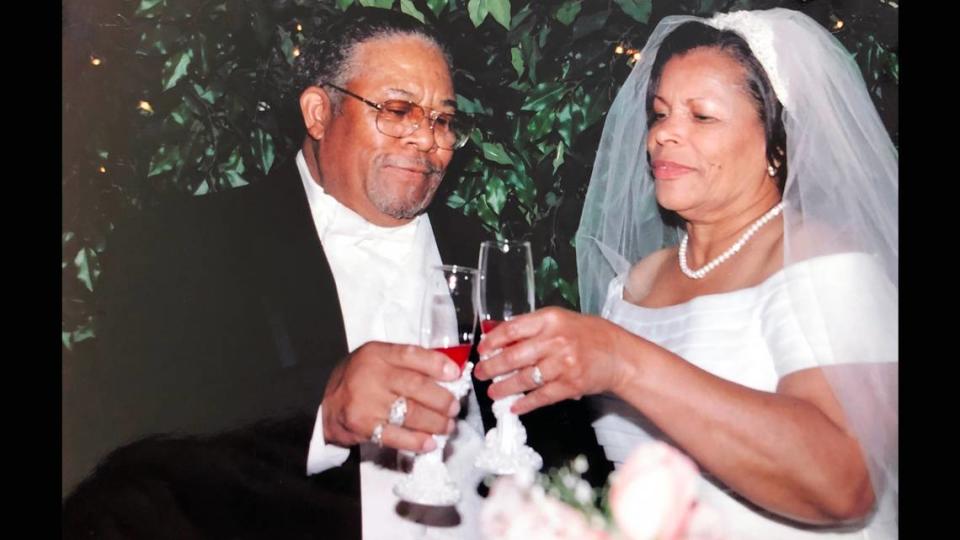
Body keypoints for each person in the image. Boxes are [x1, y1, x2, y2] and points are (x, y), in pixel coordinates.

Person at [63, 7, 609, 539]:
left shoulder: (484, 250)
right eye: (398, 110)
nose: (427, 139)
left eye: (443, 120)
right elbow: (131, 435)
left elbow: (559, 437)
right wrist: (322, 409)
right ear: (318, 113)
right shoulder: (191, 242)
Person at [474, 8, 897, 539]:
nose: (663, 136)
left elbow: (846, 484)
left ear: (777, 143)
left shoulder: (827, 265)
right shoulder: (636, 284)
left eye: (702, 117)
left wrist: (622, 361)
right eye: (659, 114)